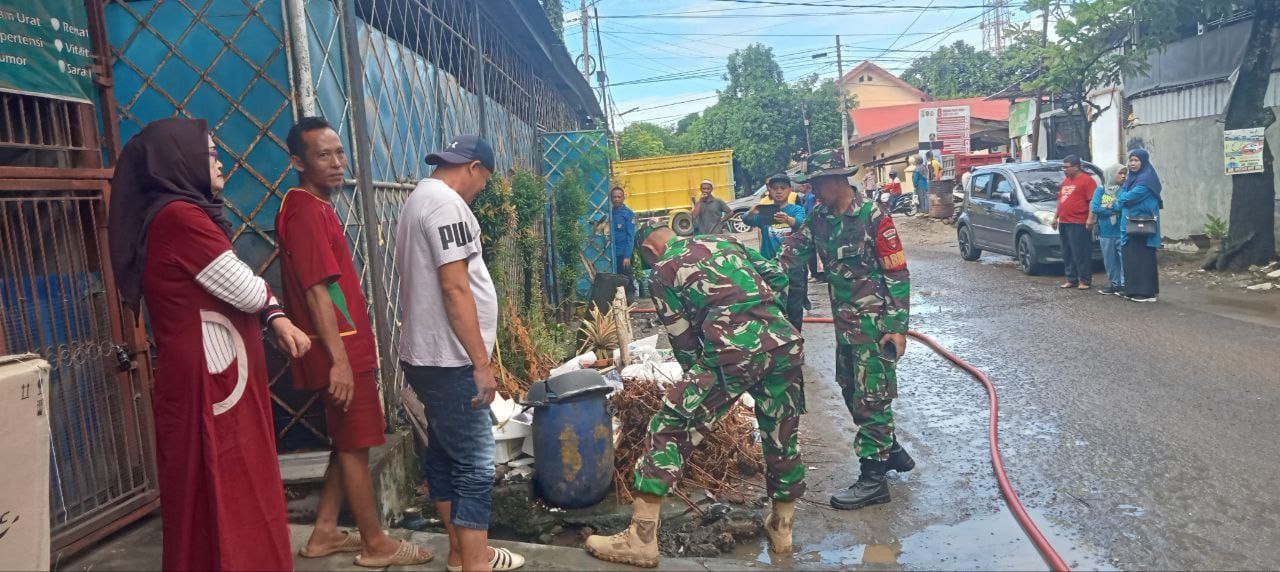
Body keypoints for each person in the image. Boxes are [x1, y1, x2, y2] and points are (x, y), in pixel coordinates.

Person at [107, 118, 311, 571]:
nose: (220, 163)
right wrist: (273, 309)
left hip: (216, 377)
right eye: (211, 153)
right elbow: (243, 288)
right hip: (209, 385)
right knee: (227, 487)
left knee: (225, 487)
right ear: (180, 161)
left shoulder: (183, 215)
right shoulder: (180, 218)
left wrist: (273, 314)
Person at [585, 227, 806, 568]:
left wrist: (696, 391)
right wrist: (764, 316)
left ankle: (640, 539)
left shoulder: (663, 270)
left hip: (731, 351)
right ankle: (782, 527)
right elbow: (777, 276)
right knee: (781, 434)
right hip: (784, 344)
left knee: (669, 427)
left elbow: (683, 340)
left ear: (649, 249)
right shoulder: (725, 240)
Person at [278, 118, 432, 567]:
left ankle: (325, 532)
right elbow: (317, 290)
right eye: (323, 155)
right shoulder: (305, 211)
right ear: (298, 162)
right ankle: (375, 543)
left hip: (343, 347)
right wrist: (340, 362)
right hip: (339, 350)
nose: (336, 163)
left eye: (339, 152)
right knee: (354, 443)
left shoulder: (312, 205)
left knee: (350, 440)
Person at [395, 135, 525, 572]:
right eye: (484, 181)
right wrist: (481, 365)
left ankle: (460, 553)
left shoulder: (418, 198)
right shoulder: (446, 205)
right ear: (474, 168)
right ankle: (475, 563)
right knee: (474, 465)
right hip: (450, 359)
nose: (480, 190)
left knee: (445, 454)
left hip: (424, 354)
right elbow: (455, 288)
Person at [778, 148, 914, 511]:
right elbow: (791, 256)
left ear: (837, 180)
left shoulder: (873, 216)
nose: (811, 191)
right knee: (851, 389)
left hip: (875, 326)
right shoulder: (818, 218)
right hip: (845, 325)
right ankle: (890, 449)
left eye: (816, 183)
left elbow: (897, 273)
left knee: (872, 397)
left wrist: (897, 327)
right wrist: (748, 272)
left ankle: (874, 478)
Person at [744, 174, 809, 330]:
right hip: (770, 267)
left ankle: (796, 337)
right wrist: (752, 212)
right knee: (772, 308)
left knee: (794, 308)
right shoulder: (765, 212)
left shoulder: (796, 209)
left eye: (782, 188)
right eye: (774, 188)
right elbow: (747, 220)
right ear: (769, 191)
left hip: (793, 266)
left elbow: (801, 224)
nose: (778, 191)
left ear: (789, 190)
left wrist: (788, 220)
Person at [1116, 149, 1162, 303]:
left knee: (1142, 259)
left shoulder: (1146, 180)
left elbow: (1126, 198)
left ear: (1144, 162)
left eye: (1136, 160)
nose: (1132, 163)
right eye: (1131, 160)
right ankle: (1133, 290)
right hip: (1131, 225)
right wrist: (1122, 197)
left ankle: (1146, 293)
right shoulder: (1133, 178)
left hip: (1142, 225)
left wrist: (1122, 197)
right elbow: (1123, 197)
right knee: (1132, 258)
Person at [1051, 155, 1097, 290]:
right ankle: (1071, 279)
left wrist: (1090, 218)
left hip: (1079, 222)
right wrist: (1055, 217)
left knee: (1081, 252)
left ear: (1076, 167)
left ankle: (1084, 280)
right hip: (1064, 221)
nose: (1064, 170)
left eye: (1067, 167)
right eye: (1063, 167)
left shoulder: (1087, 181)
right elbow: (1061, 201)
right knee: (1067, 252)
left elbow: (1092, 201)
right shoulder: (1066, 181)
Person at [1090, 164, 1127, 295]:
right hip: (1106, 232)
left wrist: (1107, 206)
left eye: (1125, 173)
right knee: (1109, 260)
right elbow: (1095, 208)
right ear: (1111, 175)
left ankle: (1124, 285)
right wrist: (1113, 208)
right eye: (1120, 173)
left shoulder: (1124, 190)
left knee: (1124, 259)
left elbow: (1122, 206)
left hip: (1121, 230)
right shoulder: (1101, 190)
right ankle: (1114, 284)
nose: (1123, 176)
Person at [611, 186, 636, 276]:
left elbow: (630, 237)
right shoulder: (609, 213)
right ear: (611, 198)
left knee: (626, 280)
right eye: (614, 197)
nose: (616, 199)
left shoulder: (628, 214)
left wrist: (627, 256)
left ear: (623, 198)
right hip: (610, 254)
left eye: (619, 197)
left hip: (623, 255)